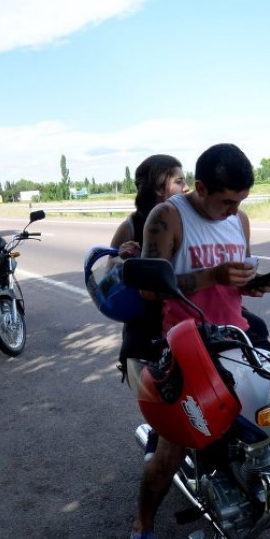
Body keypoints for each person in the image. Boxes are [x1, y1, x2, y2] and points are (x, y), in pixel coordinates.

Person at [129, 143, 270, 539]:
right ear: (200, 188)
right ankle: (142, 530)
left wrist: (250, 286)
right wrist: (213, 277)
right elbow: (149, 290)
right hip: (186, 344)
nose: (234, 211)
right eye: (227, 201)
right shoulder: (169, 217)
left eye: (241, 202)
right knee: (173, 447)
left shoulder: (239, 219)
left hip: (234, 339)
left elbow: (230, 286)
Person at [109, 154, 189, 386]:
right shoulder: (131, 226)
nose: (186, 188)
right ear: (158, 188)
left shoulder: (189, 219)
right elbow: (110, 279)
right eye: (179, 181)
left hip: (189, 317)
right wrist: (123, 260)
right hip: (148, 326)